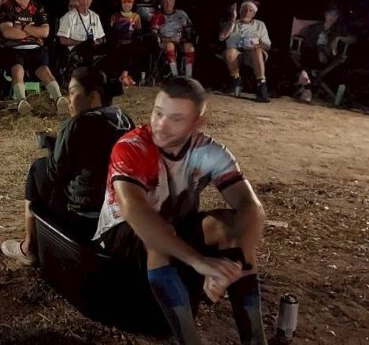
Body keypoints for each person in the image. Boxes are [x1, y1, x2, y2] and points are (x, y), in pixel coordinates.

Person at [93, 77, 267, 345]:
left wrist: (235, 265)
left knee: (229, 225)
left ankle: (256, 340)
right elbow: (135, 211)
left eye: (176, 119)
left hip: (174, 224)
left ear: (197, 123)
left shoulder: (207, 151)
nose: (161, 125)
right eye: (158, 113)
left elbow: (251, 208)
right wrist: (199, 261)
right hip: (120, 233)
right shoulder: (133, 146)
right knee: (159, 236)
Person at [1, 67, 133, 265]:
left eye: (72, 92)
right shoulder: (124, 118)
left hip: (84, 217)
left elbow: (55, 174)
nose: (69, 99)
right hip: (119, 212)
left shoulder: (77, 123)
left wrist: (52, 144)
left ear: (93, 96)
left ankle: (29, 247)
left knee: (38, 168)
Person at [0, 0, 69, 116]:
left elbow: (45, 32)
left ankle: (59, 99)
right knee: (17, 69)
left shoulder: (38, 7)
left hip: (36, 48)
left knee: (44, 70)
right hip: (14, 48)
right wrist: (33, 32)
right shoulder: (6, 7)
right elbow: (7, 32)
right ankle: (22, 101)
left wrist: (22, 27)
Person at [294, 3, 352, 102]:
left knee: (313, 53)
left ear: (337, 18)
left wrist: (339, 38)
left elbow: (353, 39)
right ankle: (308, 88)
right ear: (326, 15)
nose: (332, 17)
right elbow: (300, 35)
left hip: (328, 56)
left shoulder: (339, 29)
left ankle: (304, 74)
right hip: (311, 54)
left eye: (335, 15)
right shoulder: (316, 26)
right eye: (330, 14)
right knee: (309, 51)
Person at [219, 0, 272, 102]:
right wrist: (233, 19)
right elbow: (221, 37)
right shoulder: (233, 23)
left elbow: (267, 45)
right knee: (230, 52)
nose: (247, 12)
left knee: (257, 50)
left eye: (250, 10)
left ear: (254, 14)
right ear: (239, 11)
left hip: (253, 54)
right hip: (235, 54)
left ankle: (261, 85)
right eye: (244, 9)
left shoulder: (260, 25)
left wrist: (256, 46)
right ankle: (236, 79)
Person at [57, 0, 106, 67]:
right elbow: (63, 40)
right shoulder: (69, 16)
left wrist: (96, 43)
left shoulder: (95, 16)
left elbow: (100, 38)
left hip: (93, 54)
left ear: (91, 0)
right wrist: (82, 43)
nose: (85, 2)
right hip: (76, 56)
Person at [151, 0, 195, 78]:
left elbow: (189, 30)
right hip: (165, 41)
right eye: (165, 2)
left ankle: (188, 76)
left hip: (180, 40)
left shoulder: (181, 14)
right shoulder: (158, 16)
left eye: (170, 1)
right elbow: (154, 33)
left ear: (174, 3)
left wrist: (186, 37)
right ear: (162, 3)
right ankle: (175, 76)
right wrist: (168, 39)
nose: (168, 4)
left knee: (189, 47)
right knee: (170, 45)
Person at [108, 0, 143, 86]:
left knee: (132, 51)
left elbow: (138, 33)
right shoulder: (115, 16)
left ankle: (125, 75)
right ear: (121, 3)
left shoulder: (136, 17)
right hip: (118, 44)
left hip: (131, 44)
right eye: (124, 2)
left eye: (129, 2)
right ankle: (122, 77)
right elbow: (111, 33)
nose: (127, 5)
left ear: (132, 3)